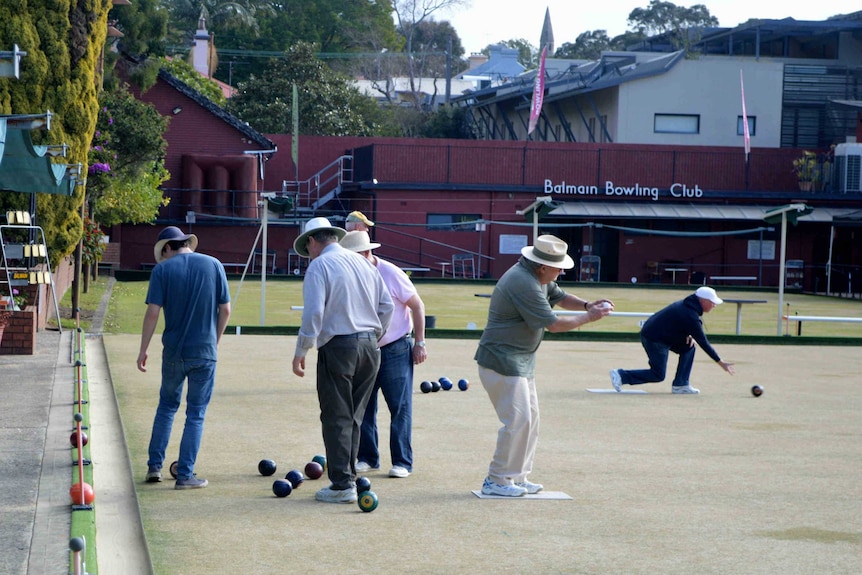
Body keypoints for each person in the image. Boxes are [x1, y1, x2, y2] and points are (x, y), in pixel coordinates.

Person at [475, 235, 613, 497]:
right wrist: (590, 316)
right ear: (542, 266)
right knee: (518, 421)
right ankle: (496, 480)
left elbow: (561, 297)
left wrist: (587, 304)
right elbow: (554, 324)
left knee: (531, 421)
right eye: (558, 267)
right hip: (502, 360)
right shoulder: (522, 282)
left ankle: (517, 476)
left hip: (521, 360)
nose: (562, 271)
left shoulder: (538, 278)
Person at [292, 217, 394, 503]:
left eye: (307, 247)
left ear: (312, 241)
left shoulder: (319, 266)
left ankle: (341, 485)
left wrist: (302, 350)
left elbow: (313, 313)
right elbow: (387, 307)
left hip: (339, 346)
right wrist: (374, 336)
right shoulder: (364, 263)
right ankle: (347, 476)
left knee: (337, 416)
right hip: (370, 347)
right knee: (354, 417)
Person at [137, 226, 231, 490]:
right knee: (196, 413)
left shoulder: (162, 271)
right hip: (205, 351)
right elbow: (225, 309)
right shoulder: (214, 264)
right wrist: (215, 341)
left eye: (162, 252)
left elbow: (153, 313)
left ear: (167, 247)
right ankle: (185, 475)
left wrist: (143, 349)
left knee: (166, 407)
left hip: (174, 352)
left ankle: (155, 467)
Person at [340, 230, 428, 479]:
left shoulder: (391, 273)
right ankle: (368, 457)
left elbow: (417, 306)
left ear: (368, 253)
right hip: (364, 349)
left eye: (356, 257)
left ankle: (402, 461)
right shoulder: (350, 275)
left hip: (396, 348)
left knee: (399, 406)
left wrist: (420, 342)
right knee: (364, 406)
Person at [609, 286, 735, 394]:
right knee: (658, 375)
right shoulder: (690, 315)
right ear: (703, 300)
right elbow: (703, 342)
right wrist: (720, 362)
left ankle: (681, 385)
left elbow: (678, 324)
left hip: (662, 335)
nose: (714, 305)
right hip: (654, 338)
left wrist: (689, 334)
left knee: (689, 347)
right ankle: (621, 375)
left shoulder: (689, 306)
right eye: (712, 302)